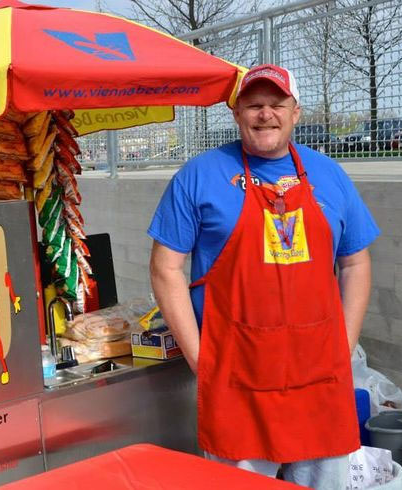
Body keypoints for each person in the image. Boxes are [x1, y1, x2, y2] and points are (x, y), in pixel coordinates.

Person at [148, 64, 380, 489]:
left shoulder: (330, 175)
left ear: (296, 112)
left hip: (318, 378)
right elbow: (165, 268)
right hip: (238, 378)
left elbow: (355, 262)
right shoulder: (199, 176)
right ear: (237, 114)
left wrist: (343, 347)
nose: (265, 114)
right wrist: (202, 360)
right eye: (253, 105)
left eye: (277, 104)